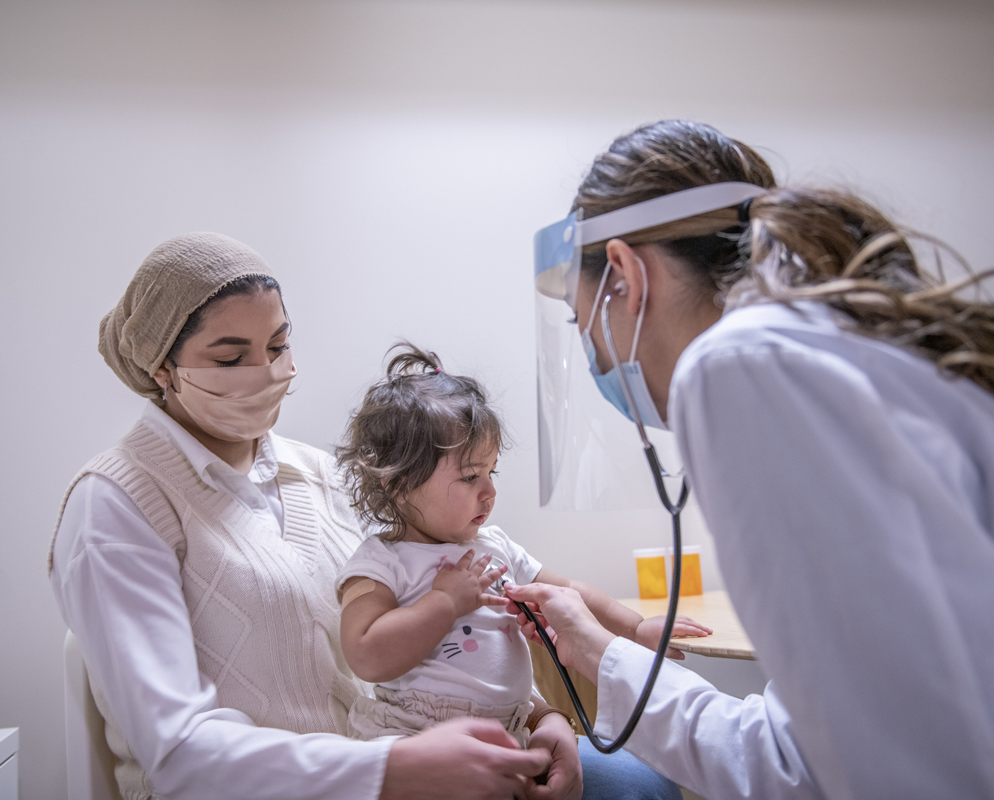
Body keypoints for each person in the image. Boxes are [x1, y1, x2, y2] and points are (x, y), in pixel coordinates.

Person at [506, 120, 994, 799]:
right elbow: (837, 744)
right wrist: (602, 653)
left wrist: (603, 655)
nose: (597, 358)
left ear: (624, 273)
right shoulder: (827, 347)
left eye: (584, 323)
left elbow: (891, 775)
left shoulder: (741, 369)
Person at [47, 232, 674, 800]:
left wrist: (545, 719)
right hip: (328, 782)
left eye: (278, 345)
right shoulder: (116, 504)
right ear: (163, 368)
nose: (266, 372)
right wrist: (395, 769)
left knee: (643, 780)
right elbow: (179, 753)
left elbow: (452, 639)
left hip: (397, 762)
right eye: (231, 358)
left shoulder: (320, 475)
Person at [332, 345, 708, 796]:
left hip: (512, 733)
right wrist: (445, 602)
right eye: (470, 477)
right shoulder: (380, 561)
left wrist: (636, 627)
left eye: (492, 472)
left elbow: (569, 593)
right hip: (419, 742)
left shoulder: (496, 546)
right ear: (397, 483)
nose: (490, 491)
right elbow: (366, 654)